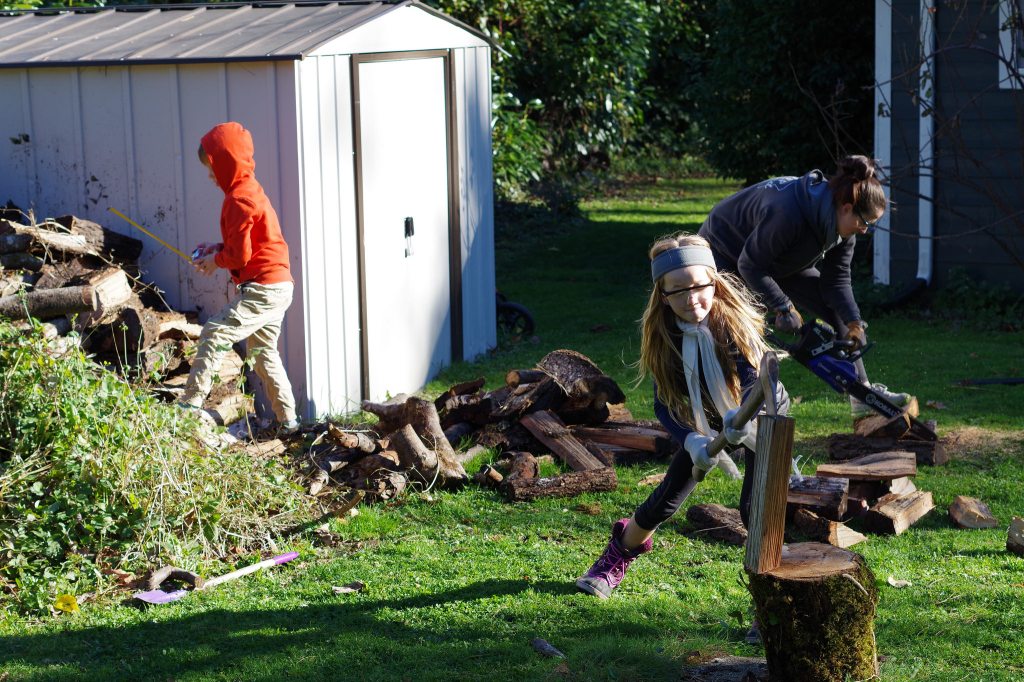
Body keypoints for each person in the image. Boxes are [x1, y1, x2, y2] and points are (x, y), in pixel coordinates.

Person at [576, 234, 789, 618]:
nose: (693, 299)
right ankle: (615, 559)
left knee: (755, 508)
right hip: (706, 422)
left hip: (764, 416)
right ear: (663, 295)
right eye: (679, 291)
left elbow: (756, 380)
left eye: (699, 286)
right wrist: (690, 439)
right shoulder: (665, 338)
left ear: (714, 282)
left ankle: (769, 600)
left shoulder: (731, 324)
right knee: (667, 499)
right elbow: (665, 404)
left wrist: (743, 417)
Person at [698, 154, 911, 418]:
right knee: (736, 329)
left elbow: (837, 281)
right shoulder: (787, 211)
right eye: (865, 223)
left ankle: (862, 396)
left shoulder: (844, 231)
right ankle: (727, 409)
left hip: (778, 259)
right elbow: (750, 265)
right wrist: (783, 306)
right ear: (846, 207)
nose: (865, 230)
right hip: (725, 252)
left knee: (836, 313)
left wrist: (855, 322)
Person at [177, 121, 299, 434]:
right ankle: (289, 422)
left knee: (215, 332)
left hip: (265, 289)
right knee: (263, 354)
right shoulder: (249, 190)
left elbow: (240, 257)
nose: (210, 176)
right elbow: (246, 244)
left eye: (211, 168)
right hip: (278, 284)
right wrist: (216, 249)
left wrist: (214, 262)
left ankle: (189, 407)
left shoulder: (238, 200)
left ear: (226, 163)